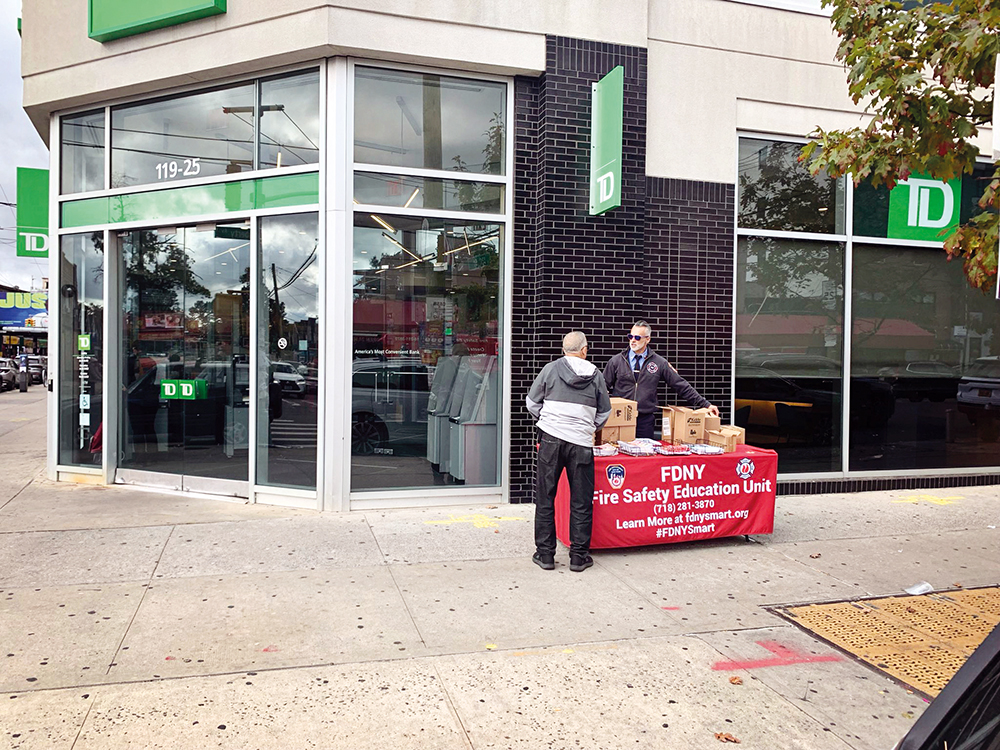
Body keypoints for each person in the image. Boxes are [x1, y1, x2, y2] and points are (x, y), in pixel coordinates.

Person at [526, 331, 611, 572]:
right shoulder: (596, 375)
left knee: (545, 498)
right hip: (581, 444)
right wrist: (587, 427)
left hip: (551, 441)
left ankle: (545, 555)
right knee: (581, 501)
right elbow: (604, 413)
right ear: (584, 349)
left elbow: (531, 403)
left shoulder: (550, 369)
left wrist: (547, 421)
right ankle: (578, 557)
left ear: (564, 349)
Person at [604, 320, 719, 439]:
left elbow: (680, 384)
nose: (633, 340)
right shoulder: (616, 361)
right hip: (620, 418)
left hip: (645, 420)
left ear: (647, 339)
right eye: (630, 336)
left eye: (637, 337)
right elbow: (603, 387)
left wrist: (705, 404)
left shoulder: (659, 363)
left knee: (644, 454)